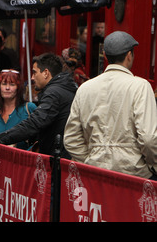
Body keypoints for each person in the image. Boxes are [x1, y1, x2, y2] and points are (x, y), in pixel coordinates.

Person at [64, 31, 157, 180]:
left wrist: (90, 160)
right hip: (134, 174)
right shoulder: (141, 86)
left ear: (105, 56)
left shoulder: (85, 88)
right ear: (129, 55)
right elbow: (148, 138)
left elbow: (71, 138)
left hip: (95, 173)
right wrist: (152, 166)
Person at [0, 52, 77, 159]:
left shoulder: (53, 93)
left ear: (46, 73)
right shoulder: (65, 88)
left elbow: (34, 123)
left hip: (58, 159)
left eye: (34, 72)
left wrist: (0, 139)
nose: (32, 77)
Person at [0, 69, 37, 150]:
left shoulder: (29, 108)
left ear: (18, 88)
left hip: (21, 161)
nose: (7, 88)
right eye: (4, 84)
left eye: (12, 84)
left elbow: (39, 141)